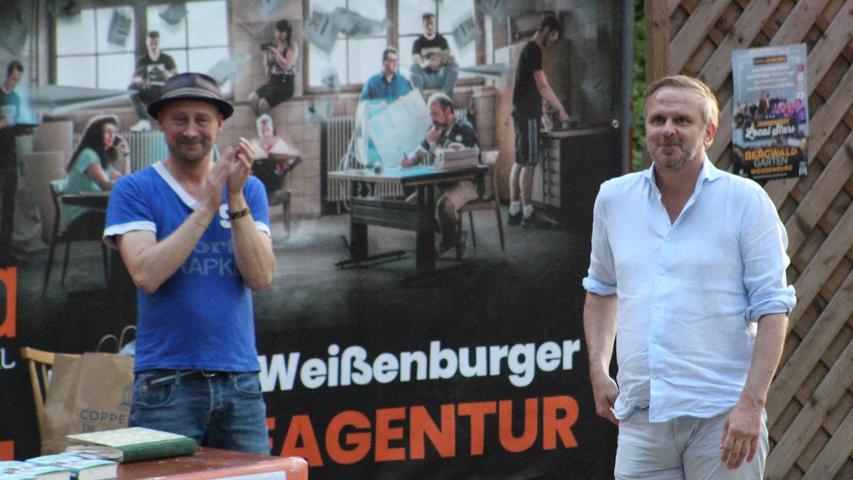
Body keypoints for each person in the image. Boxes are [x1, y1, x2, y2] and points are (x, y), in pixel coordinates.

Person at [582, 75, 796, 479]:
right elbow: (601, 291)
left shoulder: (746, 202)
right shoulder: (614, 199)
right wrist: (598, 368)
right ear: (645, 129)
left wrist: (751, 404)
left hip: (723, 417)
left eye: (682, 120)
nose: (668, 130)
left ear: (709, 132)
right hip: (643, 418)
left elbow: (773, 309)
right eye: (658, 120)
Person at [104, 72, 275, 453]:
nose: (191, 130)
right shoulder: (134, 189)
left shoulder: (249, 189)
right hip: (166, 385)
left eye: (202, 119)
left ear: (220, 124)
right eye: (179, 119)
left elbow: (260, 276)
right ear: (161, 122)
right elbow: (146, 274)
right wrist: (208, 205)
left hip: (240, 382)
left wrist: (235, 199)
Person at [507, 16, 569, 229]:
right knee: (530, 162)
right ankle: (528, 213)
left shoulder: (527, 50)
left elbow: (529, 88)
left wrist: (542, 114)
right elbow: (542, 86)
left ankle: (514, 210)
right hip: (527, 115)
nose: (552, 41)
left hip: (520, 112)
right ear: (546, 30)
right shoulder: (533, 50)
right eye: (553, 36)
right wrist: (561, 110)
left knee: (519, 161)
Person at [401, 93, 479, 255]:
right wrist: (410, 160)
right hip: (442, 182)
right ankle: (452, 234)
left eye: (435, 114)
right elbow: (420, 152)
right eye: (430, 115)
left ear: (448, 111)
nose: (432, 119)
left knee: (444, 207)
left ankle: (449, 239)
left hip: (464, 182)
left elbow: (451, 159)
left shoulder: (463, 128)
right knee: (414, 204)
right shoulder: (436, 128)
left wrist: (435, 143)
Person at [62, 115, 121, 229]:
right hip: (79, 214)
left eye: (114, 132)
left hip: (93, 210)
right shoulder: (88, 154)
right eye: (108, 132)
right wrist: (130, 186)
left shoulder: (102, 157)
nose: (112, 136)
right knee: (123, 218)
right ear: (98, 135)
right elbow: (105, 185)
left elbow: (122, 178)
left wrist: (126, 155)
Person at [0, 61, 31, 267]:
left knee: (9, 207)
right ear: (6, 75)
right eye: (12, 79)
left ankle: (6, 252)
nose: (14, 83)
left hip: (10, 156)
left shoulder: (16, 99)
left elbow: (15, 124)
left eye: (17, 80)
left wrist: (22, 129)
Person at [248, 19, 299, 116]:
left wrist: (276, 53)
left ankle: (268, 130)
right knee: (252, 98)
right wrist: (266, 57)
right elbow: (267, 71)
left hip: (286, 84)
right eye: (278, 31)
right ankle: (263, 127)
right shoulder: (274, 46)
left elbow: (287, 66)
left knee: (263, 104)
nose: (280, 34)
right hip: (273, 82)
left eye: (283, 31)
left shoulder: (292, 47)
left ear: (288, 33)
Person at [129, 31, 177, 132]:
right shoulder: (142, 60)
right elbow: (134, 78)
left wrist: (168, 75)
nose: (153, 46)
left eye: (156, 44)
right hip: (148, 90)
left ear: (159, 43)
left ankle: (170, 120)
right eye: (151, 44)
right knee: (131, 88)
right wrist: (141, 81)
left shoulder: (167, 59)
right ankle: (143, 120)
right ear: (147, 43)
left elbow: (177, 77)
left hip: (163, 92)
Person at [249, 113, 301, 199]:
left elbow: (295, 157)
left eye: (267, 130)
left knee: (271, 163)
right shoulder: (253, 144)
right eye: (262, 131)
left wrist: (276, 157)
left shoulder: (280, 143)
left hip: (275, 182)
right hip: (258, 182)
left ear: (272, 129)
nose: (265, 133)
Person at [410, 12, 459, 98]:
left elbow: (448, 57)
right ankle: (421, 101)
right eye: (427, 24)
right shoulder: (417, 43)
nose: (429, 27)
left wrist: (450, 59)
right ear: (423, 25)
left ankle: (445, 98)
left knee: (455, 66)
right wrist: (428, 63)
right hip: (425, 78)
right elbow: (416, 60)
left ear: (435, 24)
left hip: (439, 76)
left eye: (432, 24)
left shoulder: (442, 40)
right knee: (413, 68)